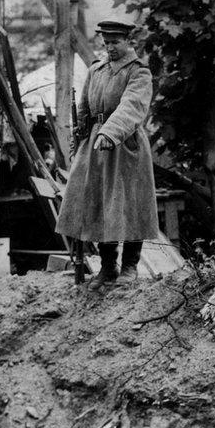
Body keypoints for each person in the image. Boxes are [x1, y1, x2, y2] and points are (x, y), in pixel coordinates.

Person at [56, 20, 158, 290]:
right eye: (106, 42)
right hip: (96, 145)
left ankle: (129, 266)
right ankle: (107, 266)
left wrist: (109, 133)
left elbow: (132, 107)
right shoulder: (97, 70)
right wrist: (80, 134)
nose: (110, 47)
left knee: (131, 204)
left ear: (128, 42)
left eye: (116, 42)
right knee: (99, 203)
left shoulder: (139, 72)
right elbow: (86, 108)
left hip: (126, 145)